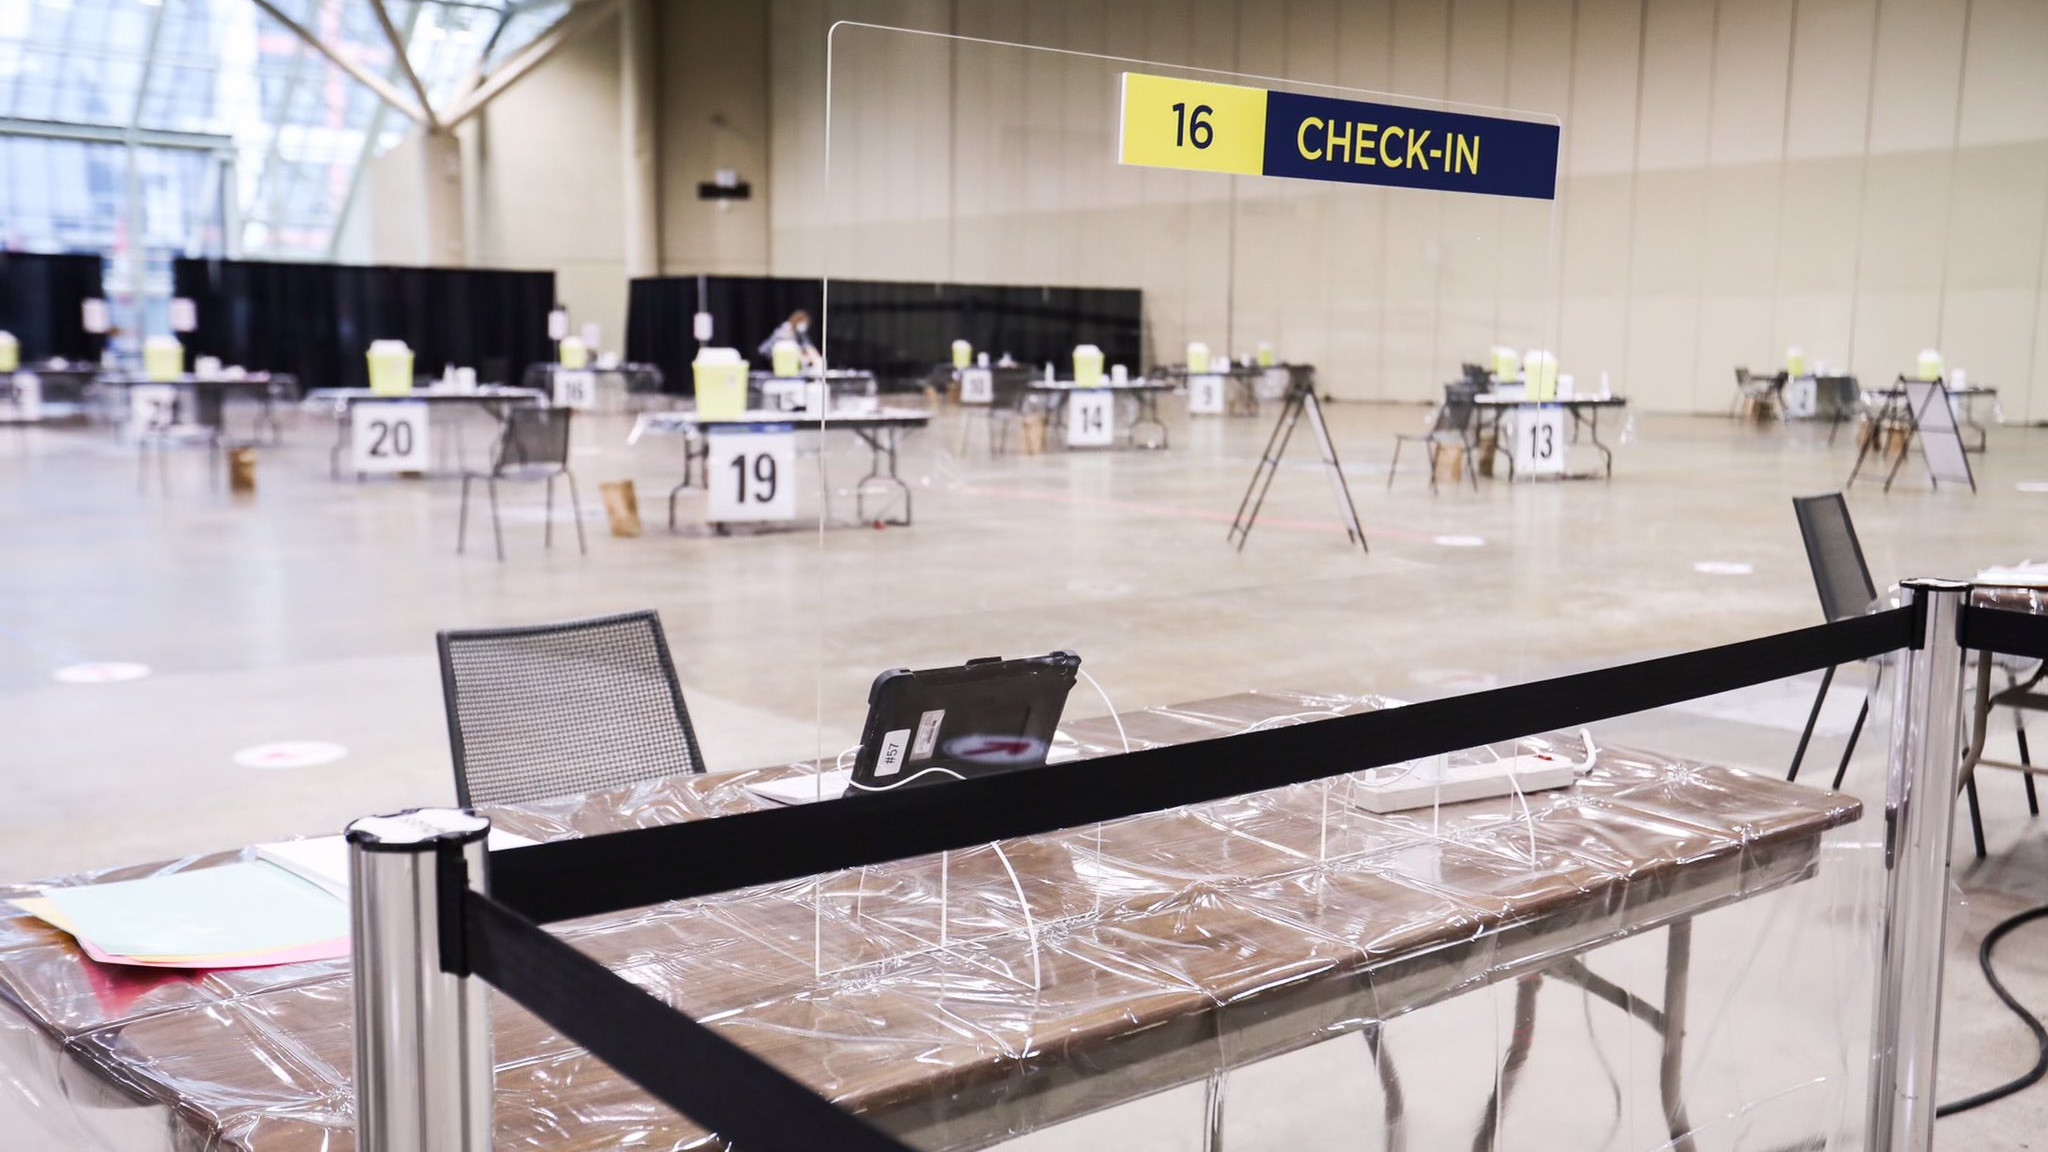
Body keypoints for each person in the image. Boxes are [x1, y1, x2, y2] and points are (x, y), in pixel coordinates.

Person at [757, 309, 822, 367]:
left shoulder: (800, 333)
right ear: (796, 321)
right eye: (802, 322)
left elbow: (807, 345)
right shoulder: (785, 331)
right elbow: (790, 349)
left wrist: (815, 356)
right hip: (773, 355)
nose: (803, 325)